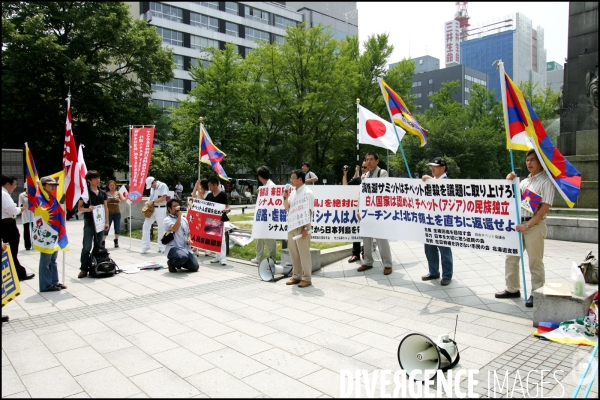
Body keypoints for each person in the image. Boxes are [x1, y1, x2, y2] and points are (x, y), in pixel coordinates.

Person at [495, 149, 555, 308]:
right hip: (518, 224)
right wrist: (509, 181)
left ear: (541, 162)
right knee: (511, 257)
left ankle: (537, 293)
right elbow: (512, 198)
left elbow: (544, 209)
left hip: (533, 226)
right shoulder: (524, 182)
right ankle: (512, 288)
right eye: (527, 160)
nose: (529, 163)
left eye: (532, 160)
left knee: (535, 262)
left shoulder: (546, 182)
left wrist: (528, 224)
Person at [356, 151, 394, 275]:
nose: (369, 161)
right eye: (367, 159)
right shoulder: (364, 175)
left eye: (371, 159)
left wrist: (367, 181)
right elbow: (361, 194)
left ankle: (387, 264)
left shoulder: (382, 173)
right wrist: (358, 209)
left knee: (381, 238)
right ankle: (367, 261)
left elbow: (381, 188)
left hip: (378, 211)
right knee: (366, 237)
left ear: (377, 161)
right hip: (366, 211)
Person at [421, 157, 454, 286]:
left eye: (435, 166)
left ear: (443, 168)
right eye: (431, 166)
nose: (432, 168)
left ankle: (447, 275)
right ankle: (433, 271)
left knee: (444, 249)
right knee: (429, 248)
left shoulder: (447, 182)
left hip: (443, 221)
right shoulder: (429, 181)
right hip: (429, 220)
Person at [283, 169, 315, 287]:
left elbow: (309, 211)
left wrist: (306, 229)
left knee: (304, 253)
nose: (291, 180)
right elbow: (287, 207)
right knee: (294, 252)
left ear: (300, 179)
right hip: (292, 225)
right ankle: (296, 275)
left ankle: (307, 277)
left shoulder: (308, 193)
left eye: (293, 178)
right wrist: (285, 197)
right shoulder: (293, 192)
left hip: (302, 226)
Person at [37, 176, 67, 292]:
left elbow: (57, 211)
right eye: (51, 185)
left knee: (53, 259)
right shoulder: (40, 198)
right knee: (46, 260)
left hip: (54, 231)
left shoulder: (52, 198)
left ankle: (54, 282)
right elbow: (43, 212)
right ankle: (46, 285)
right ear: (43, 186)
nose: (53, 187)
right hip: (46, 233)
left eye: (54, 185)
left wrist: (62, 203)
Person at [1, 175, 34, 281]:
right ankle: (19, 273)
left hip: (6, 224)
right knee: (11, 250)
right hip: (7, 225)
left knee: (8, 250)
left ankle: (16, 272)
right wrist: (19, 209)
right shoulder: (3, 194)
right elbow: (12, 210)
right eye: (14, 185)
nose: (14, 187)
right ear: (7, 184)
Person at [77, 170, 109, 278]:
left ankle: (97, 266)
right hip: (90, 222)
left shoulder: (103, 193)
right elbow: (79, 208)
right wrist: (87, 209)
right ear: (89, 180)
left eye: (98, 178)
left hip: (100, 223)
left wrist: (107, 222)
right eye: (95, 178)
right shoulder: (85, 193)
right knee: (86, 246)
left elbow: (106, 208)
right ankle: (83, 269)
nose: (98, 180)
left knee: (98, 246)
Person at [164, 198, 199, 273]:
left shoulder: (184, 219)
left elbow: (188, 232)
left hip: (185, 248)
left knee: (195, 267)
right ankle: (171, 263)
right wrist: (179, 216)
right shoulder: (167, 220)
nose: (177, 207)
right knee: (182, 257)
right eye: (175, 206)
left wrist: (189, 239)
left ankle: (179, 263)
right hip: (173, 248)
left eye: (178, 205)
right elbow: (175, 228)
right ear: (169, 209)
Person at [252, 166, 277, 265]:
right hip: (262, 216)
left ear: (259, 177)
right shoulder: (265, 186)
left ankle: (272, 258)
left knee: (269, 237)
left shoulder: (271, 186)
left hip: (269, 216)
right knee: (259, 236)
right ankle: (259, 257)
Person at [343, 162, 367, 263]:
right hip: (357, 210)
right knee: (356, 231)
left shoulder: (376, 179)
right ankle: (355, 254)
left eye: (365, 167)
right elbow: (345, 186)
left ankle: (366, 253)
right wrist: (345, 174)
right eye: (362, 167)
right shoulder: (359, 179)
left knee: (367, 233)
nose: (364, 169)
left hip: (370, 211)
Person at [205, 177, 231, 265]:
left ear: (215, 185)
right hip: (210, 220)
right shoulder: (209, 195)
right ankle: (217, 256)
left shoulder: (223, 195)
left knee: (221, 238)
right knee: (213, 238)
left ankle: (223, 258)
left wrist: (227, 210)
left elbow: (228, 206)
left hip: (220, 220)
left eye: (210, 186)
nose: (209, 188)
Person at [141, 176, 169, 254]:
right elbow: (151, 197)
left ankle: (162, 247)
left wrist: (152, 201)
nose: (151, 187)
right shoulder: (152, 188)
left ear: (154, 182)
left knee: (161, 228)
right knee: (145, 226)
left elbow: (163, 198)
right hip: (152, 209)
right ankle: (145, 246)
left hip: (161, 208)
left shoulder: (162, 185)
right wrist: (148, 202)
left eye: (151, 185)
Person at [103, 180, 126, 249]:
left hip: (117, 212)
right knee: (107, 227)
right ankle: (103, 241)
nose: (112, 187)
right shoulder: (105, 194)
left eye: (113, 185)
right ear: (108, 186)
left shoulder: (118, 193)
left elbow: (123, 200)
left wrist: (128, 196)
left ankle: (116, 240)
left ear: (115, 186)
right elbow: (104, 204)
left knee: (117, 227)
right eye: (111, 185)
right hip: (109, 213)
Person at [18, 183, 32, 251]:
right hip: (25, 214)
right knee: (26, 230)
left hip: (33, 214)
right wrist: (28, 200)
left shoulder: (34, 194)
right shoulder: (21, 195)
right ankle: (27, 245)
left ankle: (35, 244)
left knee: (35, 230)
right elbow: (20, 205)